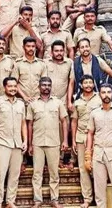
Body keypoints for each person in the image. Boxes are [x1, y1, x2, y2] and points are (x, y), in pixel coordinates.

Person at [26, 77, 69, 208]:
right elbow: (29, 125)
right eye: (44, 85)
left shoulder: (58, 103)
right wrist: (29, 144)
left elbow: (64, 121)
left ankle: (54, 199)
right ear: (39, 87)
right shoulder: (33, 104)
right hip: (37, 143)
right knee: (37, 173)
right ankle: (37, 200)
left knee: (54, 173)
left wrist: (65, 140)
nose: (46, 87)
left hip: (53, 142)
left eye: (49, 85)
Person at [0, 77, 27, 208]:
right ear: (5, 87)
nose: (13, 89)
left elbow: (23, 123)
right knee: (0, 174)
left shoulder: (20, 104)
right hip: (2, 142)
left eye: (15, 86)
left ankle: (10, 201)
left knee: (14, 175)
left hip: (17, 143)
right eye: (10, 86)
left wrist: (25, 140)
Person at [71, 75, 102, 208]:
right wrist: (73, 140)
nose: (88, 85)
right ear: (81, 85)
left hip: (97, 137)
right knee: (83, 169)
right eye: (85, 83)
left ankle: (100, 199)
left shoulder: (100, 99)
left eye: (90, 82)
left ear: (93, 84)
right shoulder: (77, 102)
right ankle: (87, 199)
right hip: (81, 137)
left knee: (98, 168)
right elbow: (74, 121)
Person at [11, 36, 47, 103]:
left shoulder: (41, 64)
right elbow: (14, 83)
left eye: (33, 46)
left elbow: (44, 83)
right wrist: (24, 96)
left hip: (38, 100)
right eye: (28, 46)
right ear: (23, 47)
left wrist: (38, 97)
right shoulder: (18, 63)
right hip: (21, 101)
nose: (31, 48)